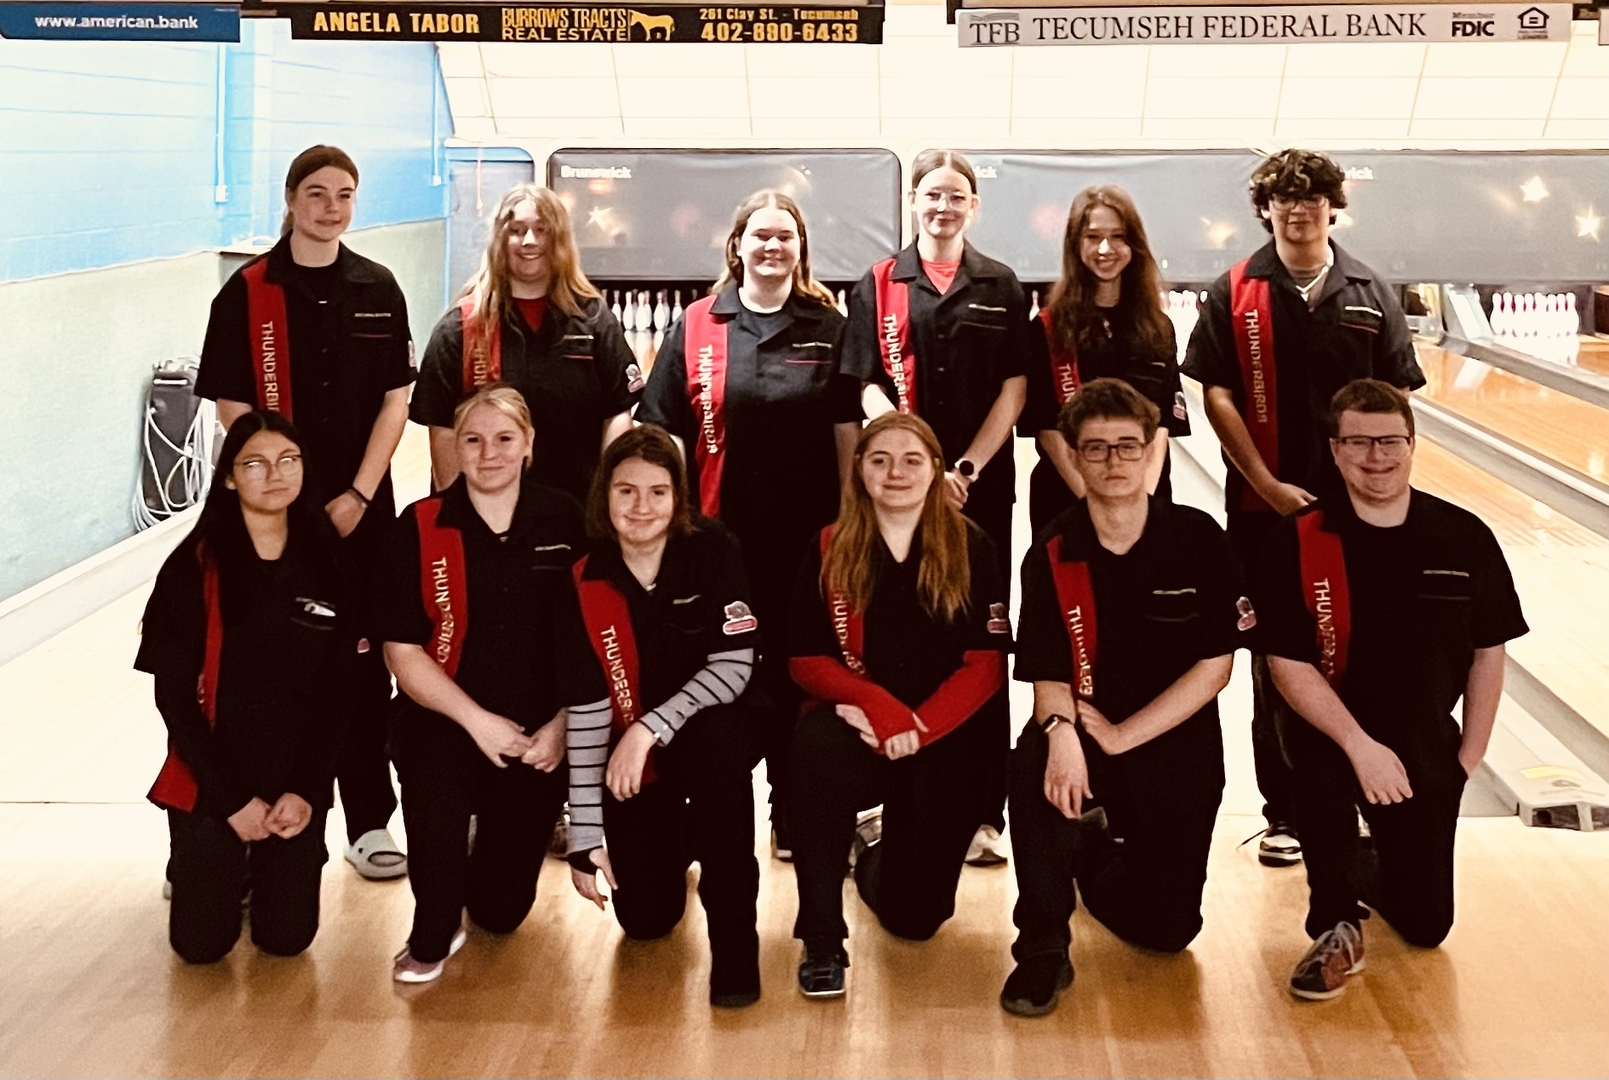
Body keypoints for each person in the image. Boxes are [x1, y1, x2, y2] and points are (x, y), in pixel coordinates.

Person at [1182, 148, 1424, 869]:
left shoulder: (1367, 289)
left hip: (1363, 513)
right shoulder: (1235, 290)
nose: (1298, 210)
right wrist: (1262, 482)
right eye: (1284, 200)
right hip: (1266, 512)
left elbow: (1396, 399)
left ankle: (1365, 796)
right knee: (1277, 660)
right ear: (1266, 209)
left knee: (1369, 651)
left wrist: (1380, 485)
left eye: (1311, 199)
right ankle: (1284, 811)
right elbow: (1215, 392)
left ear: (1330, 207)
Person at [1253, 379, 1525, 1000]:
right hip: (1328, 729)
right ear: (1335, 449)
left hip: (1424, 736)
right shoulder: (1298, 539)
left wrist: (1467, 759)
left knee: (1428, 926)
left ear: (1412, 443)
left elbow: (1490, 651)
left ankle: (1366, 865)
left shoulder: (1462, 536)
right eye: (1359, 443)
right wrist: (1358, 745)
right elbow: (1286, 664)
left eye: (1389, 441)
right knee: (1321, 779)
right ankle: (1335, 925)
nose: (1376, 457)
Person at [195, 144, 414, 881]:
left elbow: (396, 399)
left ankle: (370, 822)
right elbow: (231, 402)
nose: (331, 207)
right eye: (316, 193)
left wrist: (356, 494)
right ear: (290, 200)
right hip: (264, 514)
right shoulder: (247, 291)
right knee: (257, 664)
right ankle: (223, 818)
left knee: (360, 665)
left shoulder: (379, 287)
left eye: (344, 194)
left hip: (360, 512)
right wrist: (274, 489)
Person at [1001, 380, 1242, 1017]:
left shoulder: (1199, 540)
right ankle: (1042, 947)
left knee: (1169, 932)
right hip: (1080, 729)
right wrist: (1063, 738)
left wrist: (1121, 736)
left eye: (1126, 447)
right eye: (1097, 449)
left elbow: (1215, 669)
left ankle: (1091, 856)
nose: (1113, 462)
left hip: (1173, 740)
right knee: (1033, 772)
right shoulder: (1052, 548)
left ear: (1151, 453)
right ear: (1074, 459)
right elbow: (1046, 673)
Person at [637, 189, 859, 862]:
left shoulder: (828, 325)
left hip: (805, 542)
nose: (771, 247)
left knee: (797, 674)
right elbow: (662, 427)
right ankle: (705, 805)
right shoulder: (697, 323)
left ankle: (792, 810)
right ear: (736, 246)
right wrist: (666, 527)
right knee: (716, 674)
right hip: (716, 541)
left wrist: (851, 522)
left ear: (799, 249)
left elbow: (846, 430)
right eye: (759, 236)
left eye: (784, 237)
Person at [838, 148, 1028, 868]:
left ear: (971, 207)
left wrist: (965, 468)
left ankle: (983, 813)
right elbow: (863, 384)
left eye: (955, 196)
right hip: (896, 488)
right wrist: (913, 459)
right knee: (896, 636)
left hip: (979, 489)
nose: (942, 207)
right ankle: (886, 797)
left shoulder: (1000, 285)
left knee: (977, 642)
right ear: (911, 202)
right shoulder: (878, 283)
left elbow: (1014, 390)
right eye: (930, 195)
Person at [786, 412, 1011, 999]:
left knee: (916, 921)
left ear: (937, 470)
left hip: (942, 731)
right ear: (858, 470)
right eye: (879, 459)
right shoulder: (831, 546)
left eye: (913, 460)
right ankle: (821, 937)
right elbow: (805, 659)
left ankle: (875, 851)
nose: (896, 472)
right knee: (812, 754)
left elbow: (985, 666)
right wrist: (879, 709)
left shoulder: (973, 546)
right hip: (858, 725)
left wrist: (918, 726)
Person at [371, 385, 584, 983]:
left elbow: (596, 635)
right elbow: (401, 650)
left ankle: (469, 846)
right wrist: (476, 721)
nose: (489, 453)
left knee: (502, 911)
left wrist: (562, 727)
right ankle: (436, 909)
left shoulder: (565, 518)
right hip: (442, 722)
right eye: (473, 439)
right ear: (454, 447)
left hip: (535, 734)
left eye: (504, 439)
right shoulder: (420, 523)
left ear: (528, 445)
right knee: (440, 907)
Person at [137, 410, 359, 963]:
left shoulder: (331, 564)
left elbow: (342, 694)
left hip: (293, 779)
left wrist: (306, 791)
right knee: (201, 947)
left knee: (286, 941)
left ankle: (271, 866)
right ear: (230, 477)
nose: (275, 474)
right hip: (213, 779)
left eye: (289, 461)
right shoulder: (191, 569)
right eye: (255, 464)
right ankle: (207, 858)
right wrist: (234, 803)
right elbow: (173, 699)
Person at [560, 427, 765, 1008]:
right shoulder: (583, 575)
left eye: (657, 492)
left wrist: (650, 728)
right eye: (626, 492)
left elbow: (733, 666)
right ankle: (678, 836)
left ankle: (734, 950)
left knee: (719, 760)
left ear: (678, 497)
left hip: (708, 727)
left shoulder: (712, 549)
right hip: (633, 752)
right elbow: (588, 707)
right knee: (646, 920)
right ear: (605, 497)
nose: (641, 507)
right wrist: (585, 832)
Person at [411, 183, 640, 501]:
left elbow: (616, 413)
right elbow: (442, 430)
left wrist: (610, 495)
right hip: (487, 517)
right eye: (517, 230)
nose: (529, 241)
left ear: (558, 238)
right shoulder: (460, 327)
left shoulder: (593, 319)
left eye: (541, 230)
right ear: (500, 240)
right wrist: (458, 518)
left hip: (577, 512)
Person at [1022, 186, 1188, 535]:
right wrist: (1099, 504)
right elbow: (1050, 429)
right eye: (1093, 237)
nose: (1105, 249)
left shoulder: (1158, 327)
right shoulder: (1049, 329)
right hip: (1067, 502)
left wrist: (1138, 502)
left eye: (1117, 237)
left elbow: (1160, 428)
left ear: (1134, 245)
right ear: (1075, 245)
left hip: (1147, 503)